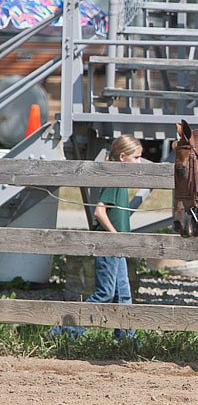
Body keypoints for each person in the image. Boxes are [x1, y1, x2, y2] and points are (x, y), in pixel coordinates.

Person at [49, 135, 143, 341]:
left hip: (117, 247)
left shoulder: (121, 180)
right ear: (122, 157)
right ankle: (65, 331)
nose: (139, 162)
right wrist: (116, 236)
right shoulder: (114, 180)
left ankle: (126, 338)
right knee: (106, 294)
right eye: (136, 157)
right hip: (109, 245)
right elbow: (99, 212)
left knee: (123, 296)